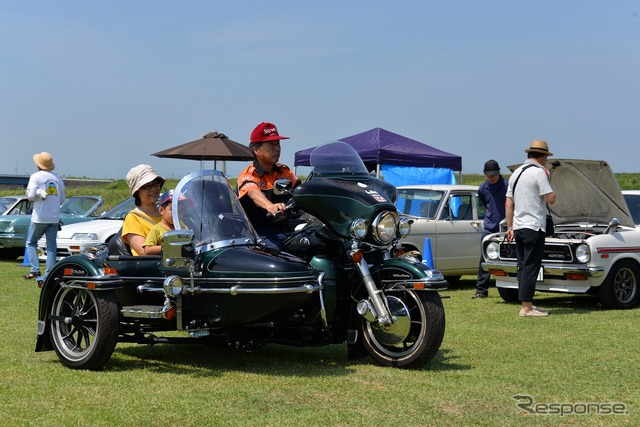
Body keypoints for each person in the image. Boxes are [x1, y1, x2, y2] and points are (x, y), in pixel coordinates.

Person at [505, 140, 556, 317]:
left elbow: (508, 202)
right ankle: (526, 307)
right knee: (531, 266)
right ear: (542, 157)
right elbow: (550, 198)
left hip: (518, 227)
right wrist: (554, 191)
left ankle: (528, 303)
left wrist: (509, 226)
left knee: (522, 266)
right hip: (534, 226)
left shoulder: (516, 173)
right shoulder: (539, 173)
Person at [237, 122, 301, 249]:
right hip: (259, 235)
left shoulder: (285, 172)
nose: (277, 148)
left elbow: (303, 190)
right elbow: (252, 192)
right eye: (271, 144)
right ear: (256, 150)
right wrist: (269, 206)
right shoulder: (249, 174)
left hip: (285, 231)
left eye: (278, 143)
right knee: (281, 259)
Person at [24, 152, 66, 280]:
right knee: (51, 246)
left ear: (38, 165)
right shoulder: (57, 178)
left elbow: (30, 197)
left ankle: (35, 270)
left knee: (31, 243)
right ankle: (49, 274)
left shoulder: (36, 177)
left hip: (39, 217)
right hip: (54, 217)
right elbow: (63, 199)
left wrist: (37, 192)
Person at [472, 159, 509, 299]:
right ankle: (481, 290)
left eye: (495, 175)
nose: (493, 177)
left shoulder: (507, 186)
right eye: (490, 175)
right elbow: (485, 206)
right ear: (485, 174)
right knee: (484, 259)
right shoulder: (482, 188)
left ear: (499, 173)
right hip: (489, 229)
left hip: (506, 229)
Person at [122, 164, 165, 256]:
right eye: (147, 186)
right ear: (137, 191)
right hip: (152, 268)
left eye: (156, 184)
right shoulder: (133, 218)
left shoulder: (167, 213)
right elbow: (144, 252)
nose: (153, 189)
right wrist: (175, 248)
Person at [143, 189, 176, 255]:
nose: (177, 213)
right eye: (173, 209)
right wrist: (169, 247)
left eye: (181, 210)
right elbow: (148, 249)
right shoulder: (157, 229)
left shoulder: (182, 226)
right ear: (161, 210)